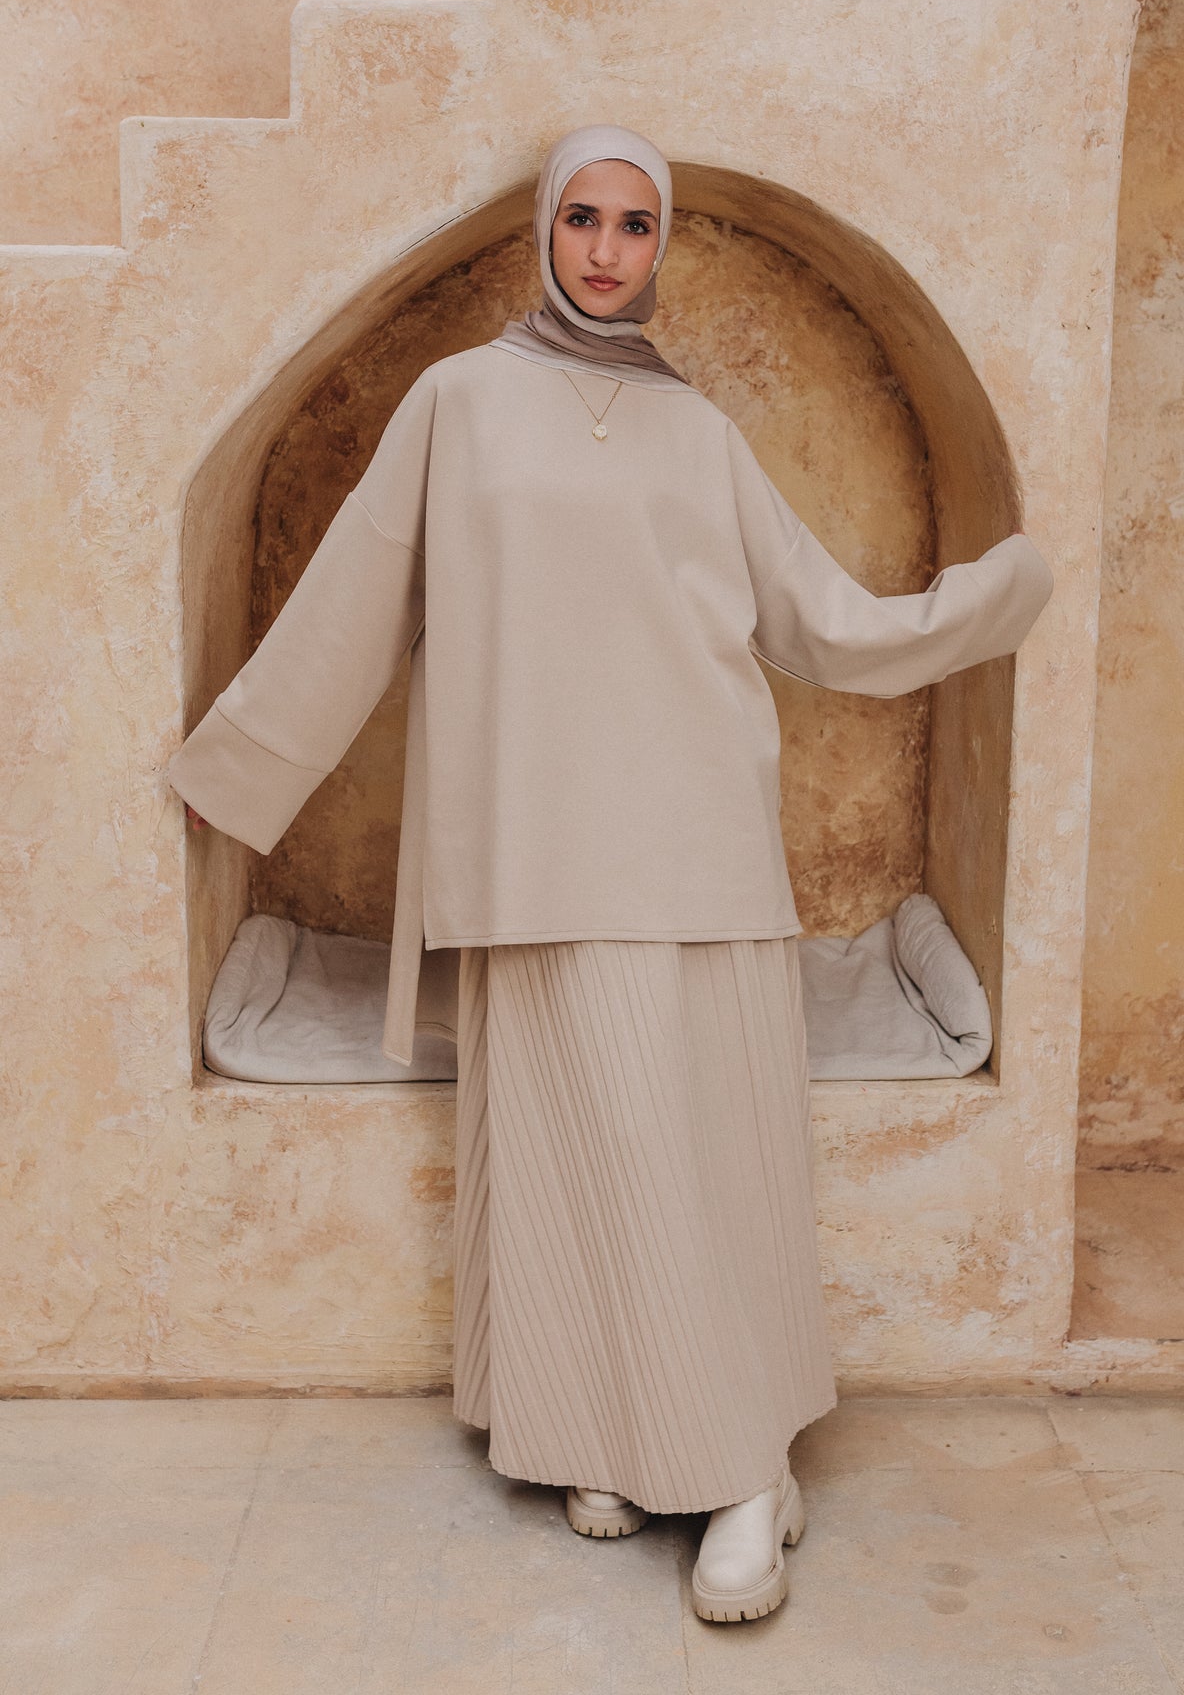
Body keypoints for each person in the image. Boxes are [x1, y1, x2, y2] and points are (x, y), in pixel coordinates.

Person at [169, 123, 1053, 1625]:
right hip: (529, 844)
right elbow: (351, 601)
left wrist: (992, 597)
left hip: (695, 839)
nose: (605, 249)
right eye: (583, 217)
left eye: (636, 225)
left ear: (661, 246)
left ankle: (746, 1471)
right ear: (545, 228)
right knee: (567, 1157)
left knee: (695, 1154)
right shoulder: (457, 403)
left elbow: (820, 621)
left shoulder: (699, 433)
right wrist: (235, 769)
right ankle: (601, 1434)